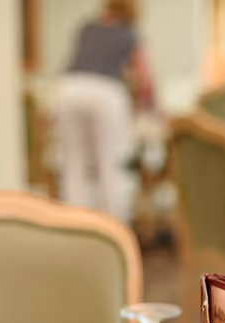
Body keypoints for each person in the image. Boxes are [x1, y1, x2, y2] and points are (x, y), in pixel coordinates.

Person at [57, 0, 155, 223]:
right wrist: (149, 106)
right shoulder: (129, 33)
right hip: (105, 92)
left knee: (74, 165)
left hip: (69, 89)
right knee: (111, 164)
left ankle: (75, 227)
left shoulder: (87, 28)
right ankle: (115, 230)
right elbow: (145, 80)